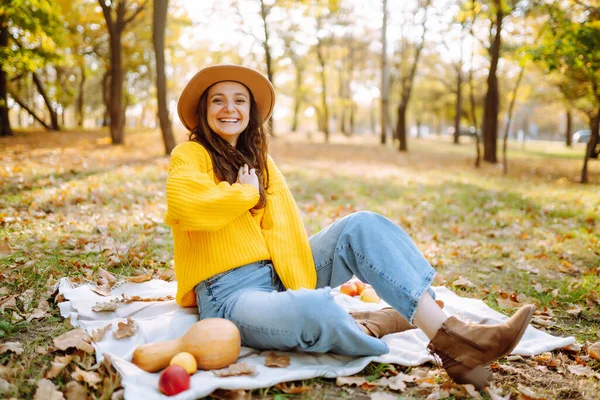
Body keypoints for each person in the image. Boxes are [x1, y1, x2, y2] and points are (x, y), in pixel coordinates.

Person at [165, 64, 535, 390]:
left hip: (275, 273)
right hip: (229, 293)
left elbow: (283, 229)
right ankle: (376, 324)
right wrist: (243, 196)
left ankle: (453, 340)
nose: (229, 108)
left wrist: (298, 280)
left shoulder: (260, 160)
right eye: (218, 100)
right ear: (204, 109)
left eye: (239, 100)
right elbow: (188, 208)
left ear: (251, 110)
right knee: (316, 310)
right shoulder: (190, 155)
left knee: (361, 226)